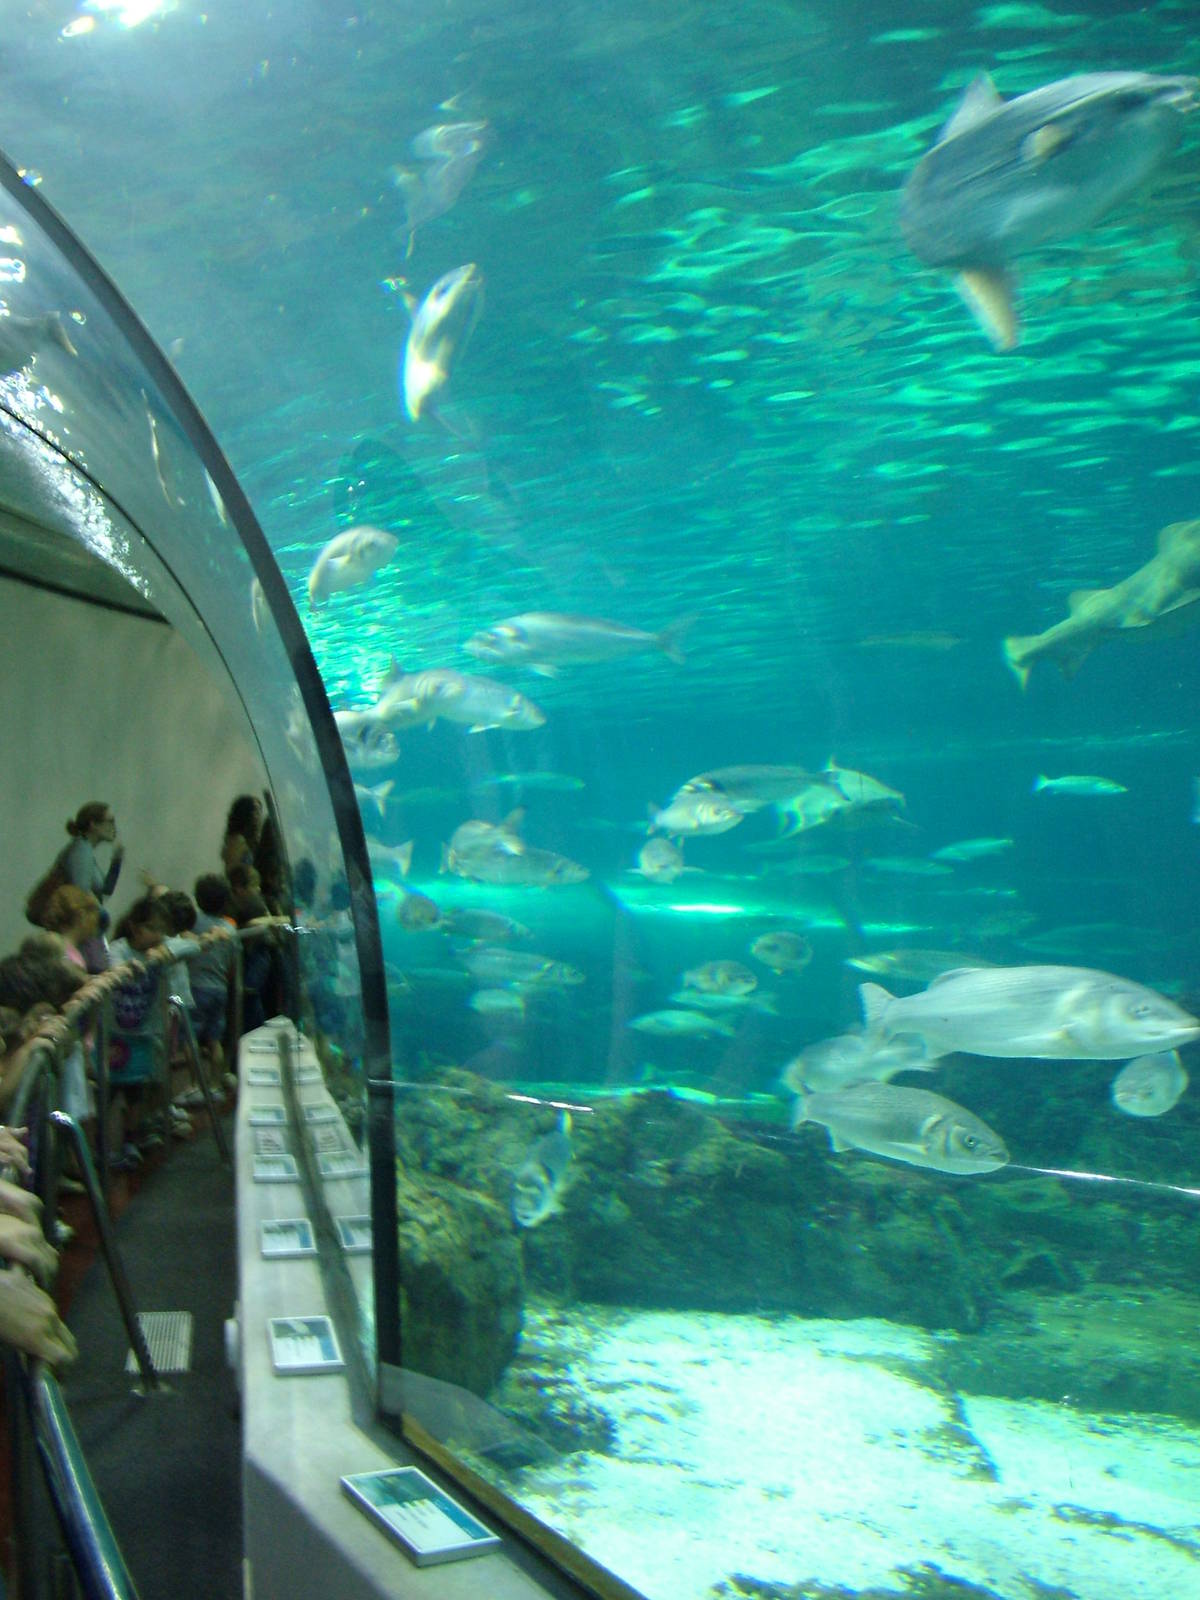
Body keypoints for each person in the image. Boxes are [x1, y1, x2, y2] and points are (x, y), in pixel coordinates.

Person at [220, 794, 263, 877]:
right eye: (255, 812)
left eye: (259, 812)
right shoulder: (237, 842)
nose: (258, 817)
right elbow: (234, 873)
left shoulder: (250, 842)